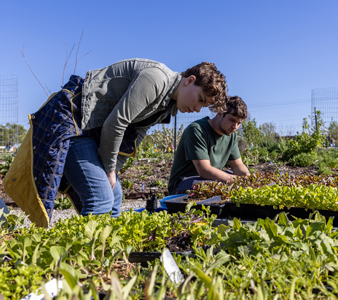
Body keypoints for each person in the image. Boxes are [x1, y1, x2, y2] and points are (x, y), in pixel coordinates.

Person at [5, 58, 228, 227]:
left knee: (115, 196)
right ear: (190, 81)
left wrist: (113, 171)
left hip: (91, 133)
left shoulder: (167, 104)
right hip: (74, 121)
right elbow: (116, 123)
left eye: (204, 106)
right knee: (100, 200)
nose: (198, 109)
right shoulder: (157, 79)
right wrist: (109, 170)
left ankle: (105, 257)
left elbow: (134, 136)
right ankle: (84, 264)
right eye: (200, 99)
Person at [168, 96, 250, 195]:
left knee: (230, 179)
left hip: (209, 180)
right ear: (219, 113)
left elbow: (238, 166)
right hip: (184, 183)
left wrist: (249, 180)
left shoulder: (231, 135)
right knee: (220, 185)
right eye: (232, 120)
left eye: (239, 123)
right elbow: (204, 170)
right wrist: (236, 181)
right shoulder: (197, 130)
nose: (235, 127)